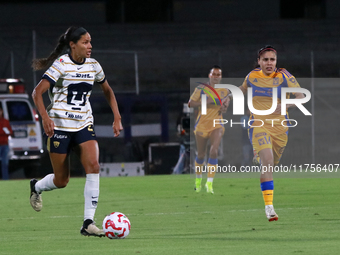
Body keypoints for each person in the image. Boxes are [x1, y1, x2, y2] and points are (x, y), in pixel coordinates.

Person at [30, 26, 123, 237]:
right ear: (73, 45)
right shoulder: (61, 65)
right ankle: (36, 186)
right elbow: (37, 93)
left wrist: (116, 117)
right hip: (59, 127)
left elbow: (107, 90)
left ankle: (88, 223)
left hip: (83, 125)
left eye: (90, 42)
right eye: (85, 42)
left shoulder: (94, 66)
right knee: (61, 181)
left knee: (94, 166)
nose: (89, 46)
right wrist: (45, 118)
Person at [238, 45, 305, 221]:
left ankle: (258, 155)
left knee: (270, 164)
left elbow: (301, 96)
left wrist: (286, 104)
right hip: (258, 124)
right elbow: (241, 89)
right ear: (259, 61)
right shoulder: (252, 76)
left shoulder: (284, 75)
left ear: (276, 61)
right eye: (265, 59)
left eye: (272, 59)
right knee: (267, 163)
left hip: (280, 128)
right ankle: (269, 207)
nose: (269, 63)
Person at [188, 65, 230, 194]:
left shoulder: (225, 91)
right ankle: (198, 180)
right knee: (201, 154)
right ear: (210, 76)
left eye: (219, 74)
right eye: (214, 74)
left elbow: (225, 106)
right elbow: (190, 103)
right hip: (202, 124)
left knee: (213, 151)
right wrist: (205, 102)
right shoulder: (201, 89)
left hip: (217, 124)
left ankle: (209, 184)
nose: (216, 76)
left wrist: (224, 107)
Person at [0, 105, 13, 180]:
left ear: (2, 111)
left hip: (5, 145)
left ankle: (5, 179)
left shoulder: (5, 121)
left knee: (5, 163)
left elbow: (10, 132)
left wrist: (6, 132)